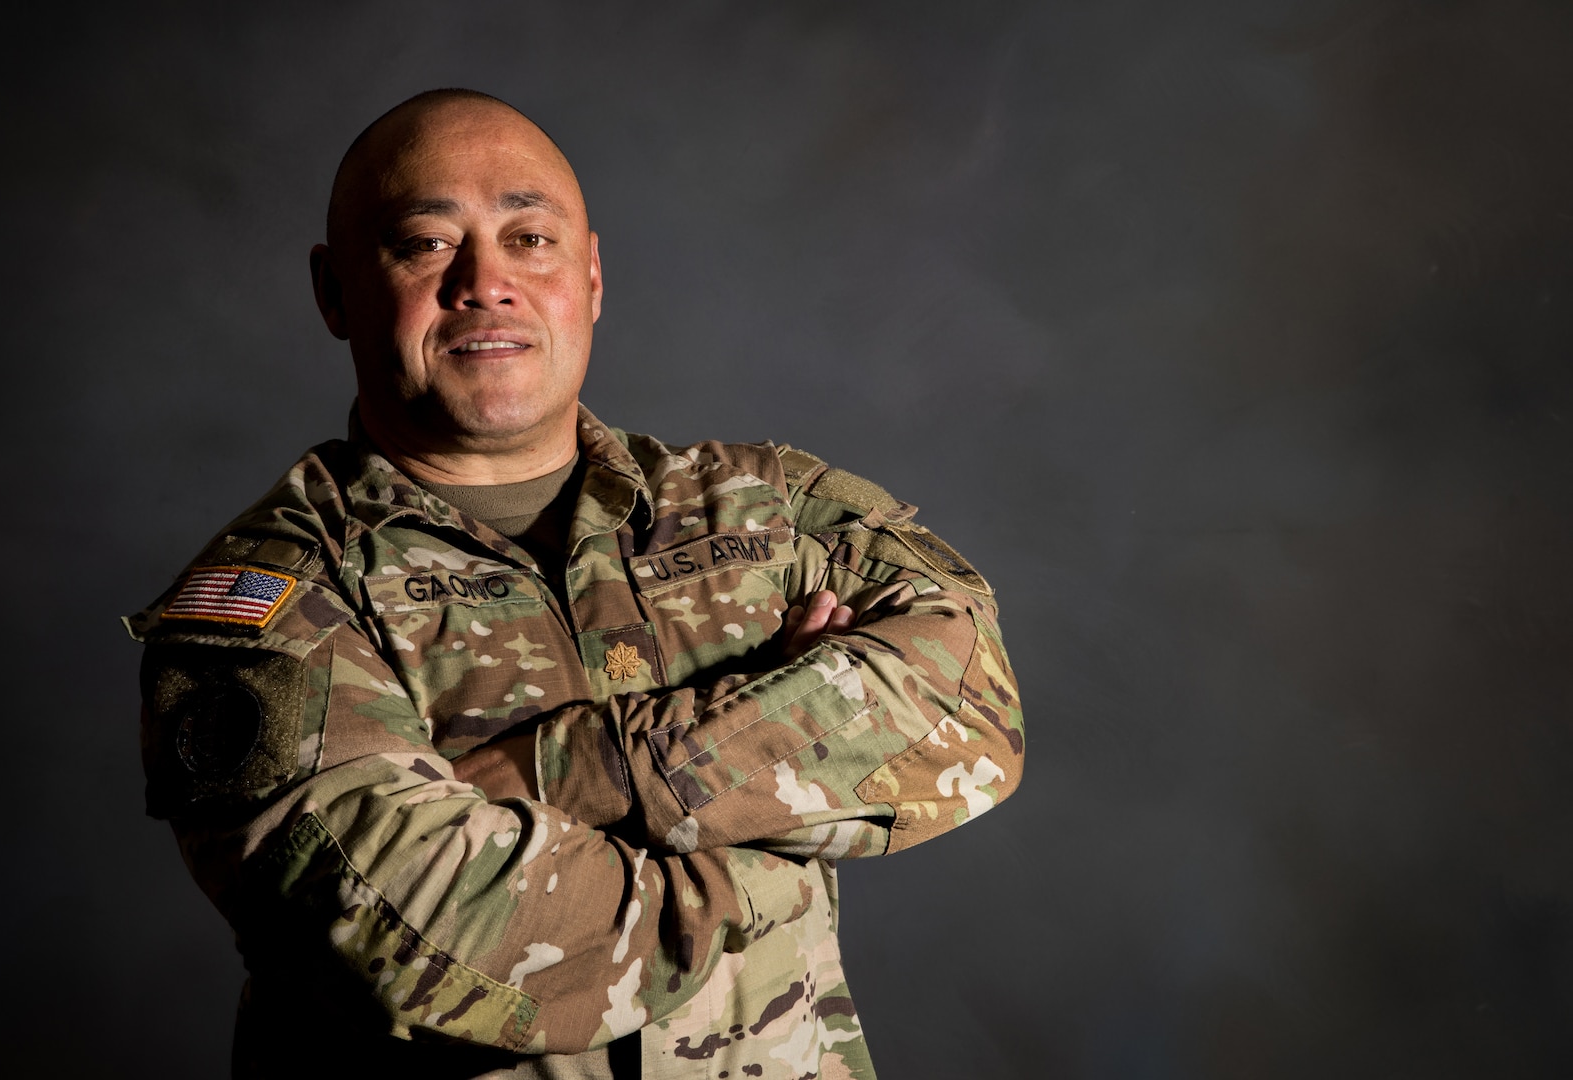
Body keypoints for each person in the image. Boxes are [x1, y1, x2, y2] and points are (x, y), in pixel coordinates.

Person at [126, 88, 1023, 1080]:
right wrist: (778, 832)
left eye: (531, 238)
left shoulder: (770, 508)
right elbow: (428, 941)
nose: (486, 282)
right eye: (425, 245)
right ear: (334, 291)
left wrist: (570, 772)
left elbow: (969, 700)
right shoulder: (266, 605)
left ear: (590, 275)